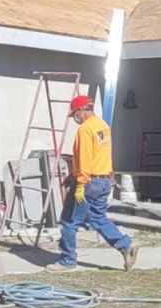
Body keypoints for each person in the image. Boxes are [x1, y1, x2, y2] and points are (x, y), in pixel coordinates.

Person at [53, 95, 138, 271]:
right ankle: (125, 245)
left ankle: (67, 260)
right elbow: (97, 156)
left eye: (74, 114)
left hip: (88, 182)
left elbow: (85, 157)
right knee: (97, 218)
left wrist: (80, 183)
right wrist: (73, 175)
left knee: (69, 221)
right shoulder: (103, 126)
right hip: (104, 180)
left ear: (79, 111)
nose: (75, 118)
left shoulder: (85, 129)